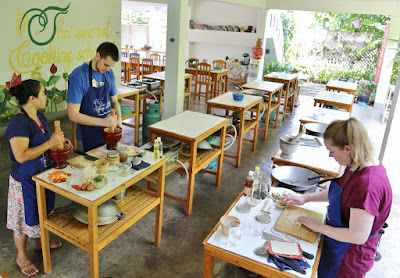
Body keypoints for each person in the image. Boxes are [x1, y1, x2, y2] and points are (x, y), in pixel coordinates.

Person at [283, 118, 392, 278]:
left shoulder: (367, 185)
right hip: (337, 242)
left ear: (347, 148)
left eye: (332, 151)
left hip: (349, 256)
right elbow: (340, 191)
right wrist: (304, 199)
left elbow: (358, 236)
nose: (329, 155)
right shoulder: (358, 163)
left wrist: (318, 227)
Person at [5, 80, 70, 277]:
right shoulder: (18, 123)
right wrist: (50, 142)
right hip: (23, 181)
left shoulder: (38, 116)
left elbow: (46, 142)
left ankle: (39, 242)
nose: (46, 96)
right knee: (22, 220)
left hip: (41, 175)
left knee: (43, 209)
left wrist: (60, 143)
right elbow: (21, 156)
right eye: (43, 93)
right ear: (32, 98)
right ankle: (22, 256)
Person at [67, 42, 122, 152]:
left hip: (108, 132)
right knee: (90, 167)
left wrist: (119, 123)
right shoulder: (79, 76)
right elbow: (73, 115)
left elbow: (115, 102)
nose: (108, 69)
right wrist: (103, 122)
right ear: (97, 56)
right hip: (87, 135)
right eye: (106, 65)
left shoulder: (108, 73)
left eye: (111, 66)